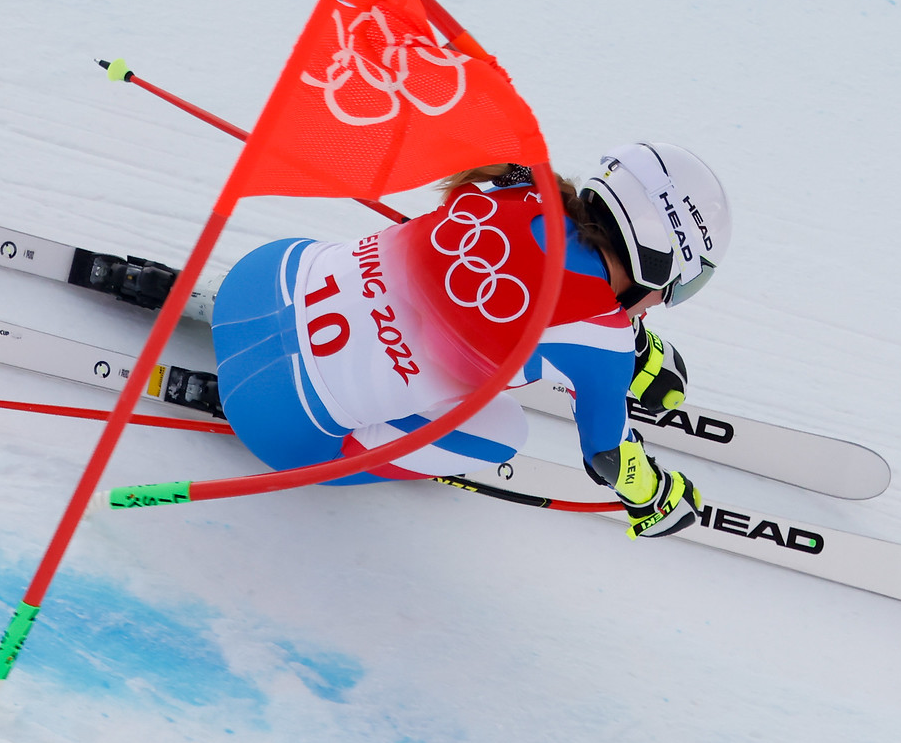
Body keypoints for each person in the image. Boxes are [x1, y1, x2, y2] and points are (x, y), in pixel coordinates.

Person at [164, 143, 731, 538]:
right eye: (682, 287)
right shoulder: (602, 338)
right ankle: (341, 412)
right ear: (661, 264)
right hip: (280, 422)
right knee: (504, 429)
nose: (667, 302)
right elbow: (607, 458)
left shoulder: (523, 181)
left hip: (259, 280)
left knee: (429, 305)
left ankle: (209, 299)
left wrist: (621, 353)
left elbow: (540, 283)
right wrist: (655, 496)